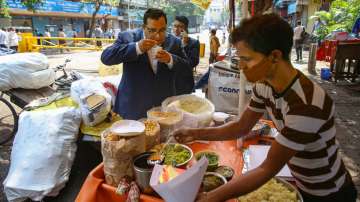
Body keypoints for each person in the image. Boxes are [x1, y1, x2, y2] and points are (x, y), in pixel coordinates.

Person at [173, 14, 357, 202]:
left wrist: (211, 197)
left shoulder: (307, 104)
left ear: (275, 56)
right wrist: (196, 133)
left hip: (329, 193)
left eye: (247, 59)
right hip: (301, 181)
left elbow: (267, 168)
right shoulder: (264, 85)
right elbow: (241, 127)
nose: (241, 66)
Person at [101, 8, 190, 119]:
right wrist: (137, 48)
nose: (157, 36)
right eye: (152, 30)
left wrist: (171, 59)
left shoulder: (175, 42)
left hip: (163, 109)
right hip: (133, 108)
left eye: (162, 30)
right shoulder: (128, 37)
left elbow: (187, 69)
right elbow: (106, 57)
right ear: (144, 28)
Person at [172, 15, 200, 95]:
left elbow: (193, 63)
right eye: (175, 26)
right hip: (170, 83)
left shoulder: (194, 43)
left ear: (186, 28)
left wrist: (185, 45)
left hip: (185, 83)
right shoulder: (169, 41)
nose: (176, 29)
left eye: (180, 26)